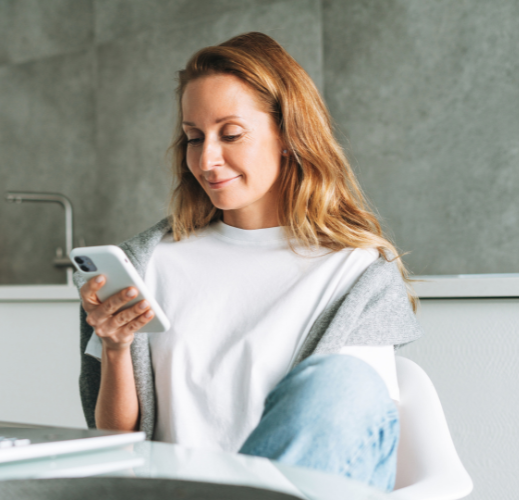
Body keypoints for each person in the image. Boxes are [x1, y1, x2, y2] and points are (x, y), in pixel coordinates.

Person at [74, 32, 422, 492]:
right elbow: (115, 448)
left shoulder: (356, 273)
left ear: (287, 134)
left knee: (344, 382)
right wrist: (116, 348)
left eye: (231, 134)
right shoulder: (149, 263)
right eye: (194, 138)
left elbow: (347, 432)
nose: (207, 159)